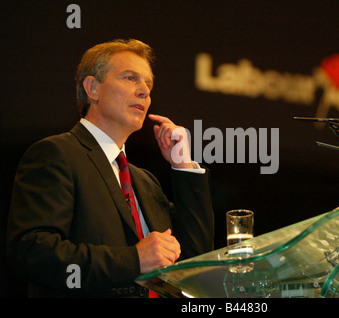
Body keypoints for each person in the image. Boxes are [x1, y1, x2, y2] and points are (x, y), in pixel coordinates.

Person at [7, 39, 214, 297]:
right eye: (130, 78)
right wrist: (134, 260)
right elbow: (32, 252)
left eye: (148, 84)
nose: (144, 92)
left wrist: (183, 167)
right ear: (92, 88)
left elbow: (196, 260)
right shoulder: (56, 154)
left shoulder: (146, 182)